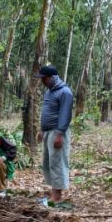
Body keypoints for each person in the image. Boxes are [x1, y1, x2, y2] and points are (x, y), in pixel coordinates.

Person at [36, 64, 74, 206]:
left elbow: (65, 114)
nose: (42, 81)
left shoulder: (65, 92)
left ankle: (57, 197)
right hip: (47, 132)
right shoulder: (49, 92)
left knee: (57, 163)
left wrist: (59, 134)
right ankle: (53, 194)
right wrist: (41, 130)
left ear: (52, 77)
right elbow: (46, 111)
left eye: (44, 78)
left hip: (57, 132)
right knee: (48, 163)